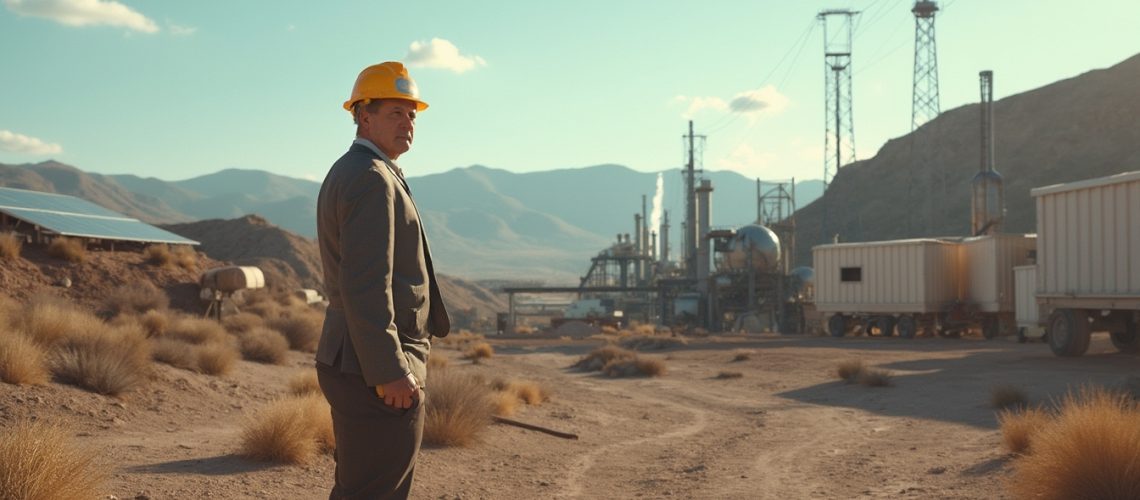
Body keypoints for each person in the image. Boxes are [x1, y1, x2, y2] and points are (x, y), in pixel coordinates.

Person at [315, 61, 450, 499]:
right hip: (373, 367)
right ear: (363, 116)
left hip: (354, 358)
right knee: (376, 491)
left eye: (412, 114)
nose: (408, 122)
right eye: (396, 112)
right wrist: (390, 370)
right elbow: (365, 284)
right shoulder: (371, 179)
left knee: (362, 487)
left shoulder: (360, 171)